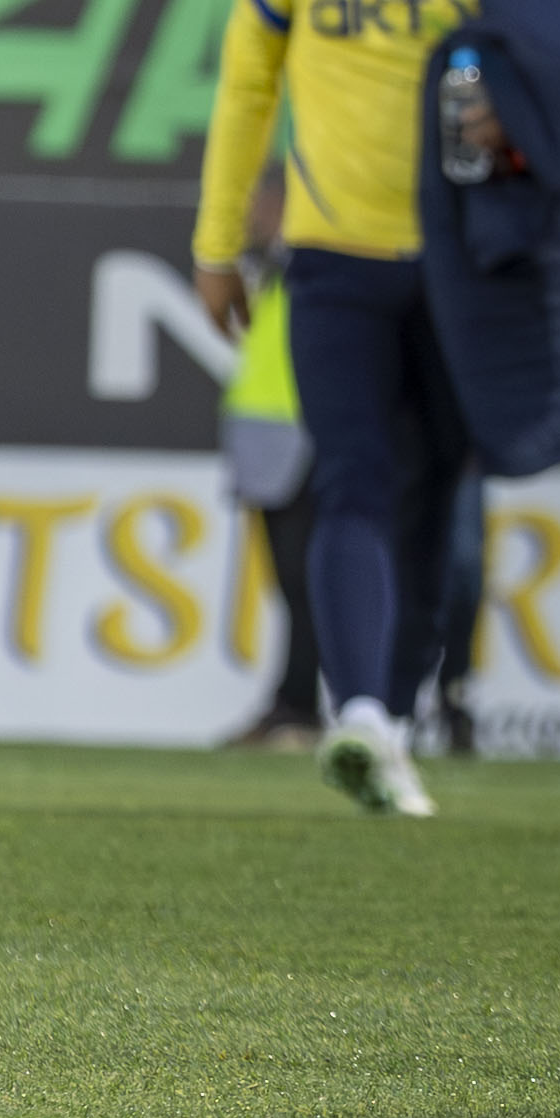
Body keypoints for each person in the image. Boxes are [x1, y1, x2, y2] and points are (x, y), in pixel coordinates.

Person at [193, 0, 560, 818]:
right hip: (335, 259)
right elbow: (246, 92)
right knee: (352, 477)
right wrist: (217, 245)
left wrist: (535, 171)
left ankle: (396, 721)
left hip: (469, 268)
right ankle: (358, 712)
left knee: (433, 498)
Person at [219, 167, 327, 751]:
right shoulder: (274, 270)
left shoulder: (313, 265)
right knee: (293, 584)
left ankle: (299, 709)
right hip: (271, 441)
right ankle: (294, 705)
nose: (253, 214)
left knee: (305, 582)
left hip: (302, 439)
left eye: (263, 202)